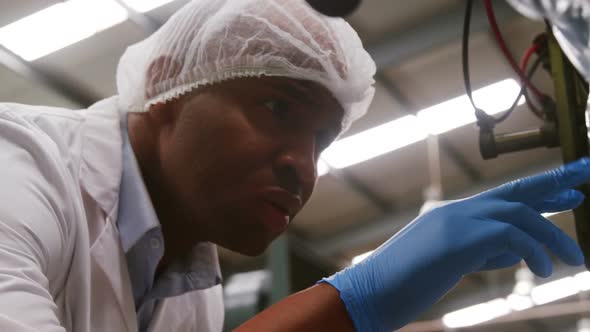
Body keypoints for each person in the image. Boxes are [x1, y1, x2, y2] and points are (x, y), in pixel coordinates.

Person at [0, 0, 586, 331]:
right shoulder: (20, 171)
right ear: (165, 82)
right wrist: (352, 300)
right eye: (277, 108)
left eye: (323, 141)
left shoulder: (186, 290)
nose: (302, 168)